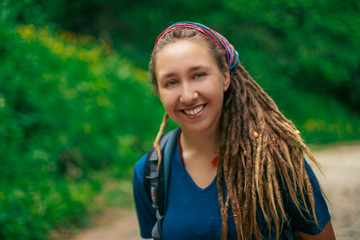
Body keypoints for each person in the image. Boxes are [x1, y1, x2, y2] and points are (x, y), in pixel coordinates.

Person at [133, 21, 335, 240]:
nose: (188, 95)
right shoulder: (150, 172)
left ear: (225, 77)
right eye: (171, 82)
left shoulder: (276, 160)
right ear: (159, 92)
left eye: (198, 75)